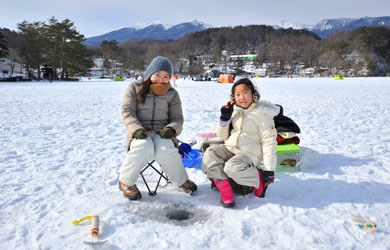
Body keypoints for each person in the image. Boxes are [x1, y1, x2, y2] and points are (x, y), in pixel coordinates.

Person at [119, 56, 197, 200]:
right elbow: (127, 112)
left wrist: (172, 129)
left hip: (163, 133)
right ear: (150, 74)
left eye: (166, 76)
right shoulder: (134, 88)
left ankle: (181, 181)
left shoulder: (172, 94)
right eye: (157, 75)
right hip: (140, 132)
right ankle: (126, 181)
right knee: (143, 147)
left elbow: (177, 118)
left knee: (166, 149)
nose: (161, 80)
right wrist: (136, 129)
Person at [201, 78, 279, 208]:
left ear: (253, 94)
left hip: (249, 153)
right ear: (233, 98)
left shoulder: (263, 114)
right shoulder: (235, 111)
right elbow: (222, 136)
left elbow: (269, 142)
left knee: (231, 168)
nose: (242, 97)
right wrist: (224, 119)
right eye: (237, 94)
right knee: (209, 154)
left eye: (245, 93)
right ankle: (226, 190)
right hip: (231, 147)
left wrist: (268, 169)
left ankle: (259, 179)